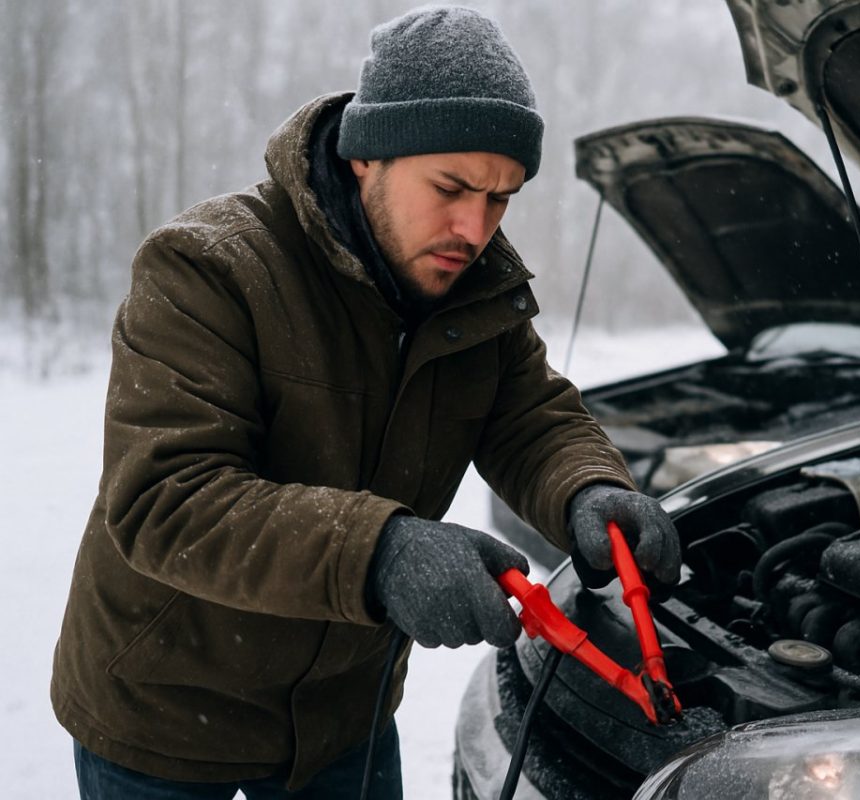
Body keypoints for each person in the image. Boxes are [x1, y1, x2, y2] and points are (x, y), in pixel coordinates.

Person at [51, 7, 681, 798]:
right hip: (169, 711)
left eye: (501, 198)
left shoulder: (475, 289)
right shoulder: (207, 269)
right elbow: (166, 500)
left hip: (341, 715)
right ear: (366, 157)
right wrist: (380, 554)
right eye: (451, 187)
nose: (473, 227)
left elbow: (531, 417)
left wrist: (591, 488)